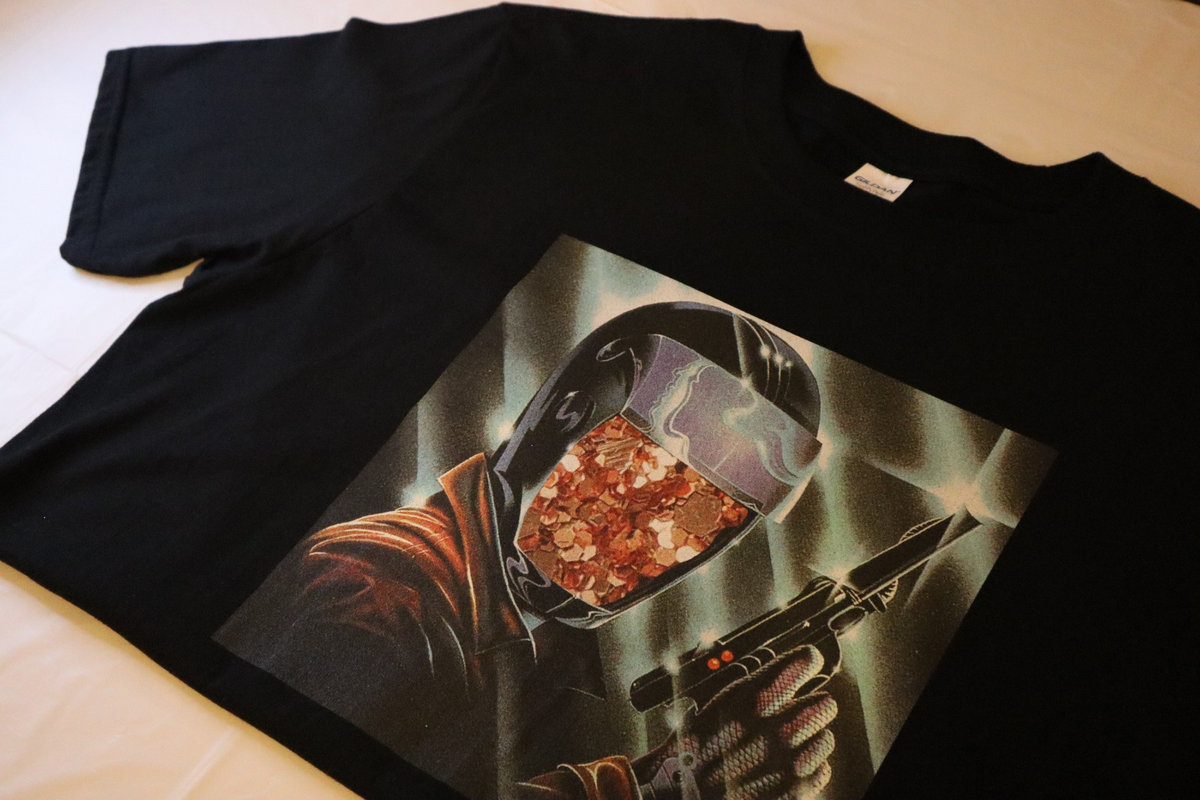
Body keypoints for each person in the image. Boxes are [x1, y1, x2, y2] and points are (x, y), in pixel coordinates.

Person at [278, 303, 838, 799]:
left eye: (707, 514)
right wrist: (641, 788)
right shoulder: (381, 590)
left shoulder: (522, 633)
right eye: (639, 472)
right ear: (565, 416)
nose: (652, 536)